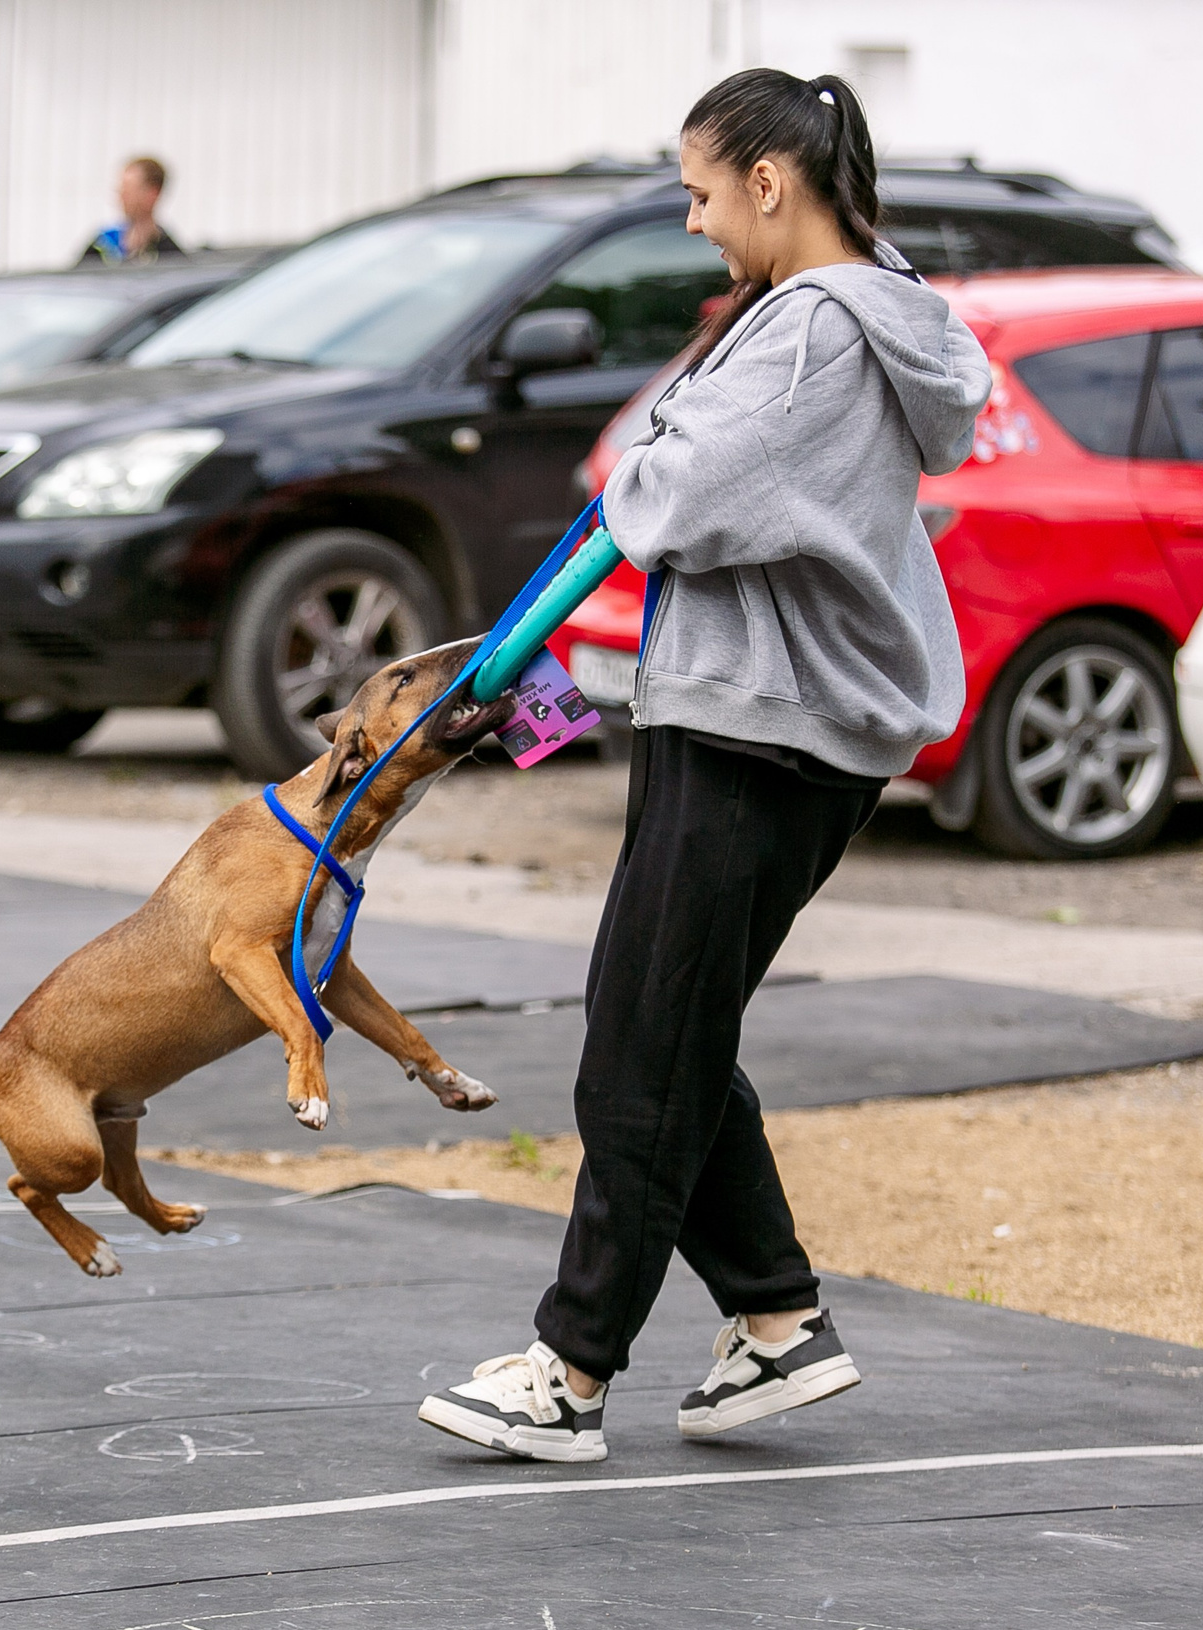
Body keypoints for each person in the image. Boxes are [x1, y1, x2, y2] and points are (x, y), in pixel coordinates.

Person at [417, 69, 990, 1463]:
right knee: (665, 1029)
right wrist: (541, 702)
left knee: (639, 1046)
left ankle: (571, 1367)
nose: (692, 222)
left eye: (698, 192)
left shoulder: (815, 333)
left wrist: (656, 448)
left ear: (771, 184)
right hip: (754, 715)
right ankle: (777, 1328)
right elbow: (696, 533)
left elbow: (669, 500)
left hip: (763, 732)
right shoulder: (835, 317)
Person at [75, 156, 185, 267]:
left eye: (128, 191)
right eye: (121, 190)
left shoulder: (170, 255)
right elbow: (74, 279)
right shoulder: (102, 245)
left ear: (153, 194)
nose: (121, 197)